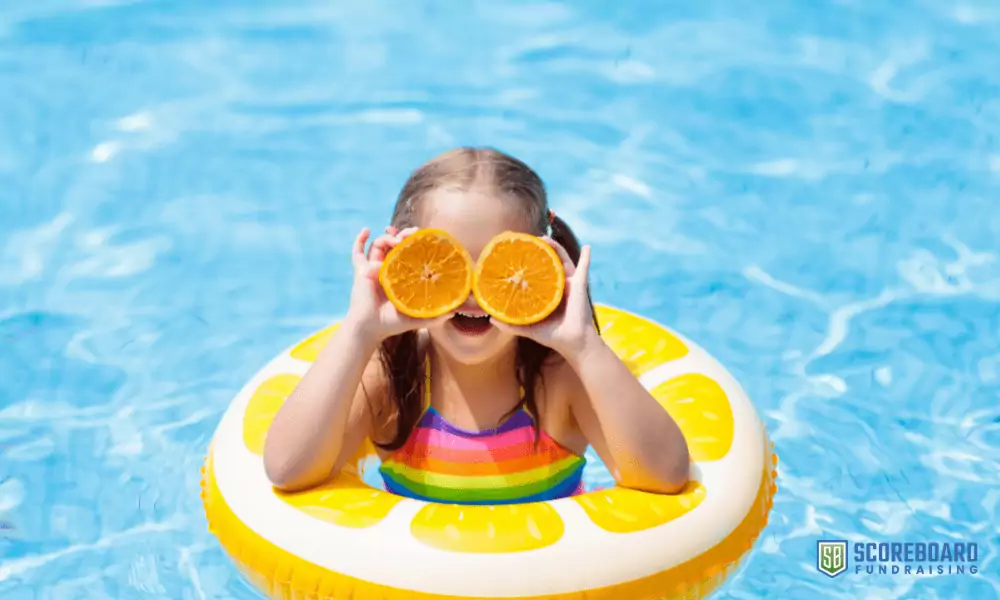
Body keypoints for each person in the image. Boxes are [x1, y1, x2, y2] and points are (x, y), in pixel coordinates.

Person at [263, 147, 690, 504]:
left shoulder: (560, 379)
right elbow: (288, 470)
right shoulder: (392, 377)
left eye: (499, 265)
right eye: (446, 263)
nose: (471, 294)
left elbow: (663, 477)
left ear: (543, 258)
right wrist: (359, 330)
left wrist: (583, 345)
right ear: (402, 258)